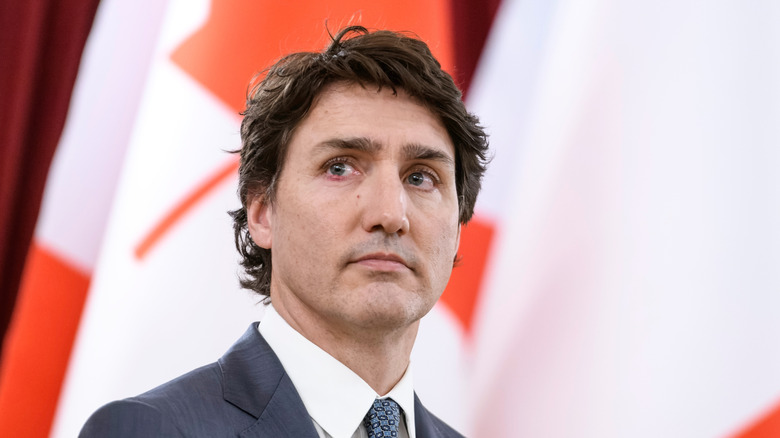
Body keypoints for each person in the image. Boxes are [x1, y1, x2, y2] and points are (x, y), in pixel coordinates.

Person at [80, 25, 489, 438]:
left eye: (421, 177)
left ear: (457, 228)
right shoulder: (146, 430)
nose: (390, 213)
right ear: (261, 213)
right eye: (339, 167)